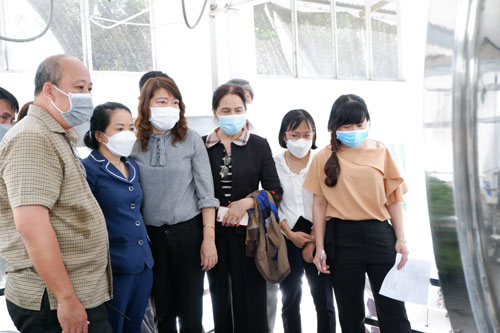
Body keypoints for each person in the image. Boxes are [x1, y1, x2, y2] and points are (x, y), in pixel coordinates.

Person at [0, 54, 112, 332]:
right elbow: (31, 226)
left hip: (75, 292)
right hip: (52, 300)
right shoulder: (32, 138)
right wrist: (66, 299)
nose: (87, 96)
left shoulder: (55, 134)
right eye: (79, 87)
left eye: (89, 89)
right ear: (49, 89)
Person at [304, 94, 411, 332]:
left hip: (380, 235)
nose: (354, 130)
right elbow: (319, 205)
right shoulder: (323, 156)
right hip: (341, 239)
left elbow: (394, 199)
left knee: (394, 310)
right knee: (350, 314)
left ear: (368, 122)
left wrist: (401, 239)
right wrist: (319, 246)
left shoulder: (381, 151)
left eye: (360, 125)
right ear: (334, 126)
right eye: (347, 126)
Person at [131, 77, 219, 333]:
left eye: (175, 102)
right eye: (161, 101)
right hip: (151, 237)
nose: (170, 107)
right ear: (146, 105)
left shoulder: (191, 139)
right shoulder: (133, 142)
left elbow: (206, 194)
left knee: (192, 313)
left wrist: (208, 238)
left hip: (189, 233)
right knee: (163, 313)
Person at [204, 83, 283, 333]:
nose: (232, 115)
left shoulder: (259, 145)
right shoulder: (202, 145)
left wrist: (247, 203)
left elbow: (274, 191)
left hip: (249, 233)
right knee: (219, 297)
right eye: (225, 110)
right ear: (215, 111)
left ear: (246, 110)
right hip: (211, 234)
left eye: (238, 109)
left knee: (251, 298)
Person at [82, 102, 154, 333]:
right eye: (120, 128)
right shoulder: (88, 169)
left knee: (135, 325)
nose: (128, 134)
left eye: (131, 128)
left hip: (143, 262)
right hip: (114, 266)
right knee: (114, 326)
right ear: (101, 136)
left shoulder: (132, 166)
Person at [275, 109, 336, 333]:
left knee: (324, 302)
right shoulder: (274, 162)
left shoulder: (324, 160)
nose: (301, 139)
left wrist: (313, 241)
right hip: (287, 238)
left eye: (307, 134)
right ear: (284, 135)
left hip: (319, 238)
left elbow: (330, 201)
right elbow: (271, 203)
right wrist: (290, 234)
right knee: (290, 301)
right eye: (295, 134)